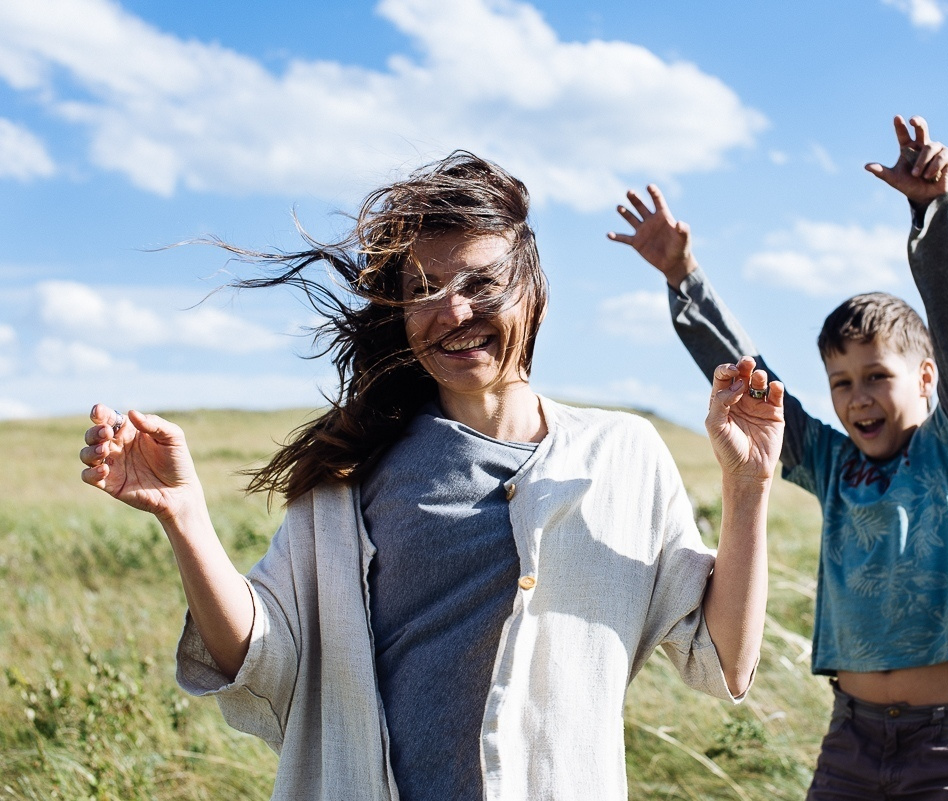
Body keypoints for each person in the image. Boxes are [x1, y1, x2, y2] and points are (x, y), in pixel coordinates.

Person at [78, 152, 785, 801]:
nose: (453, 309)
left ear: (532, 290)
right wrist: (185, 515)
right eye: (424, 288)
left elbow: (722, 658)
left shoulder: (624, 453)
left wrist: (747, 487)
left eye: (482, 281)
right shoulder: (352, 475)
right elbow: (259, 657)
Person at [609, 116, 948, 799]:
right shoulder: (832, 464)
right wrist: (682, 275)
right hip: (852, 736)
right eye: (842, 383)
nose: (858, 399)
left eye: (878, 375)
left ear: (929, 378)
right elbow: (753, 382)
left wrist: (930, 208)